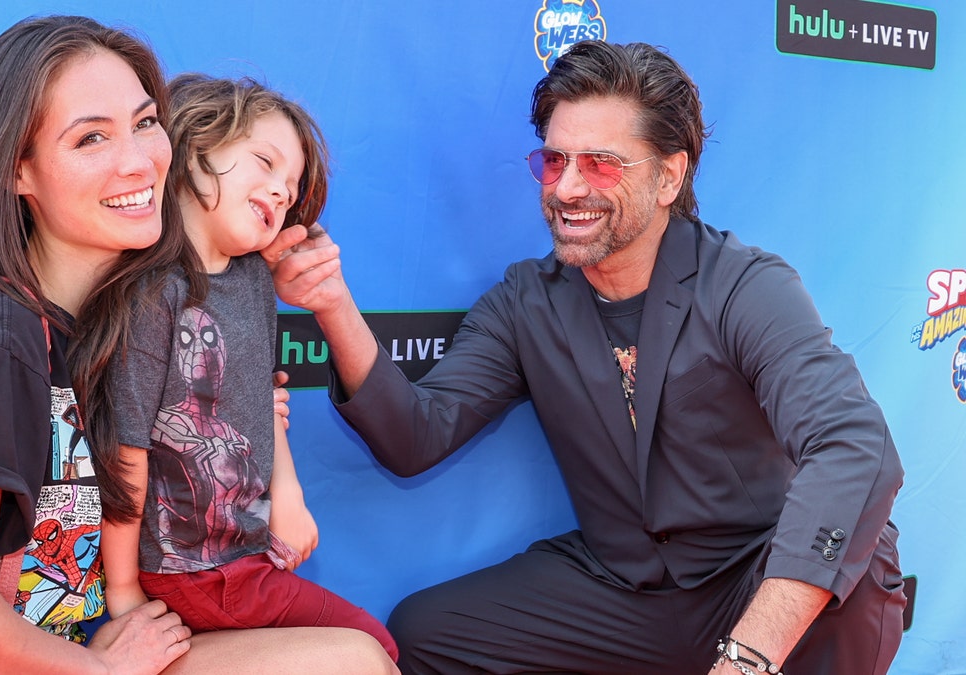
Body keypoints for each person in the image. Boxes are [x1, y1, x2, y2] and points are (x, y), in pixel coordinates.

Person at [265, 39, 905, 674]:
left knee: (857, 562)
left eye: (600, 164)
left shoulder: (745, 285)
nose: (567, 188)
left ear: (668, 176)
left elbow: (853, 445)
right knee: (427, 634)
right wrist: (332, 304)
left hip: (753, 581)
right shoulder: (527, 301)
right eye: (554, 161)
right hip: (626, 593)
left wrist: (746, 659)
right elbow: (414, 437)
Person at [0, 15, 398, 674]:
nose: (139, 160)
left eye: (144, 123)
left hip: (73, 649)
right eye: (91, 138)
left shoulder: (112, 321)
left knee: (359, 655)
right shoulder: (1, 334)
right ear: (17, 170)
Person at [96, 73, 399, 662]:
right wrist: (125, 588)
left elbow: (261, 396)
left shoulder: (254, 281)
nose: (280, 191)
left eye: (290, 187)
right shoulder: (152, 293)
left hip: (245, 557)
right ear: (193, 146)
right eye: (263, 161)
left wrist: (289, 496)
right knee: (372, 646)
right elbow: (123, 452)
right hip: (194, 573)